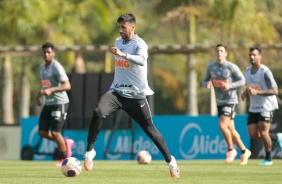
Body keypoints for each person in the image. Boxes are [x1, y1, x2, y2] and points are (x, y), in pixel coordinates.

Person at [84, 13, 180, 178]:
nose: (120, 30)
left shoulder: (140, 44)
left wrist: (123, 55)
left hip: (136, 96)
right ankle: (89, 152)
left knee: (151, 131)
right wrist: (120, 53)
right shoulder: (117, 42)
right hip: (116, 92)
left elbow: (142, 60)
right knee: (98, 112)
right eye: (119, 26)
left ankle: (171, 162)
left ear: (132, 27)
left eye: (123, 27)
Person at [202, 44, 252, 165]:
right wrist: (206, 84)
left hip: (230, 101)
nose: (219, 53)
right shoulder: (211, 67)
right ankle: (245, 151)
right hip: (219, 102)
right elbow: (205, 80)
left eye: (221, 51)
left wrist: (230, 85)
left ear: (226, 53)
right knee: (231, 130)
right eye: (217, 51)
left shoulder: (231, 67)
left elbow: (242, 80)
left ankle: (231, 150)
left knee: (222, 126)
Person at [241, 47, 282, 165]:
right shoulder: (247, 71)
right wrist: (245, 92)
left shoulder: (265, 72)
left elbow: (275, 91)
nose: (252, 57)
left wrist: (258, 92)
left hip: (266, 106)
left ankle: (268, 159)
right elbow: (250, 86)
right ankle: (276, 137)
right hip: (254, 107)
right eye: (250, 55)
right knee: (254, 134)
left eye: (254, 55)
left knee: (264, 133)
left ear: (260, 56)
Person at [35, 42, 74, 167]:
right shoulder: (42, 68)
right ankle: (65, 142)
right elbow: (46, 85)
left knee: (56, 133)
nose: (46, 54)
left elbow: (67, 85)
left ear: (53, 53)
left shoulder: (57, 67)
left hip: (60, 103)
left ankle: (64, 159)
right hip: (48, 103)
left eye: (49, 52)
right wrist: (38, 97)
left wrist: (51, 90)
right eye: (44, 52)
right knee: (42, 132)